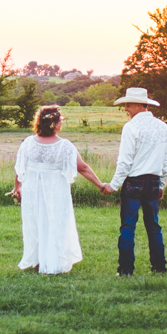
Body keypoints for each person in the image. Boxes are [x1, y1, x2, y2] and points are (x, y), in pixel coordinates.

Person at [13, 104, 109, 274]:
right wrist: (100, 185)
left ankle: (38, 261)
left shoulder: (28, 143)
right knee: (55, 222)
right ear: (54, 124)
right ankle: (53, 261)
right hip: (55, 190)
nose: (61, 124)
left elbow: (20, 168)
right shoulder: (64, 146)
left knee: (36, 222)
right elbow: (83, 167)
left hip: (32, 190)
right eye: (60, 120)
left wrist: (17, 188)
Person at [101, 87, 167, 276]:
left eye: (128, 105)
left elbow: (125, 161)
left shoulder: (131, 127)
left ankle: (126, 269)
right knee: (154, 226)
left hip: (133, 183)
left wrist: (113, 185)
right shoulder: (163, 127)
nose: (126, 109)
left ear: (139, 105)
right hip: (154, 181)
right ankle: (159, 267)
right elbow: (166, 160)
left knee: (128, 226)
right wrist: (162, 184)